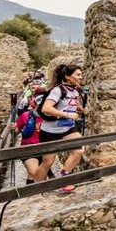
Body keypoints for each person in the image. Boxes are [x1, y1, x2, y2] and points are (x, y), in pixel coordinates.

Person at [38, 63, 88, 193]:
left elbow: (70, 105)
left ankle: (64, 178)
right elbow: (46, 108)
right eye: (78, 75)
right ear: (67, 76)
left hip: (67, 128)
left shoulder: (76, 91)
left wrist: (81, 109)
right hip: (50, 130)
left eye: (81, 74)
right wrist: (67, 115)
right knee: (47, 162)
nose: (81, 77)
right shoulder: (57, 90)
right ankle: (35, 188)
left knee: (79, 150)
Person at [13, 75, 47, 183]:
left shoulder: (50, 117)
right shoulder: (25, 115)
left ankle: (31, 194)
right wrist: (13, 128)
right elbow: (16, 132)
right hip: (29, 148)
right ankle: (37, 193)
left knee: (32, 175)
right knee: (36, 173)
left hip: (46, 148)